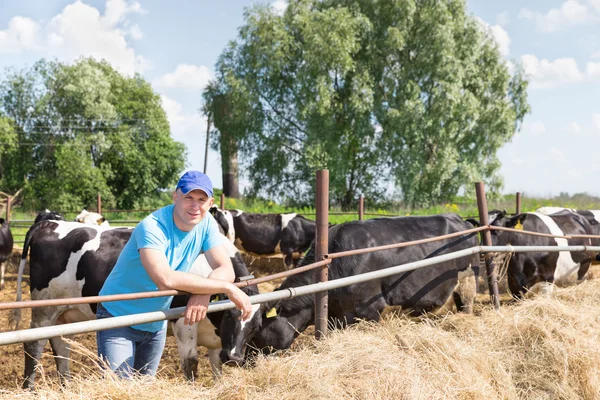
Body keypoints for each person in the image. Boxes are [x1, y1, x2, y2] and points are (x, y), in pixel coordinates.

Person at [96, 170, 252, 378]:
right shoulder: (152, 226)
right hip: (119, 317)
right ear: (175, 196)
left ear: (211, 202)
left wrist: (204, 294)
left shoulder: (205, 224)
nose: (195, 206)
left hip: (155, 321)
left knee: (144, 389)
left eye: (201, 199)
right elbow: (165, 279)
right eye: (188, 197)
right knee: (119, 390)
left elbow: (225, 268)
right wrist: (224, 287)